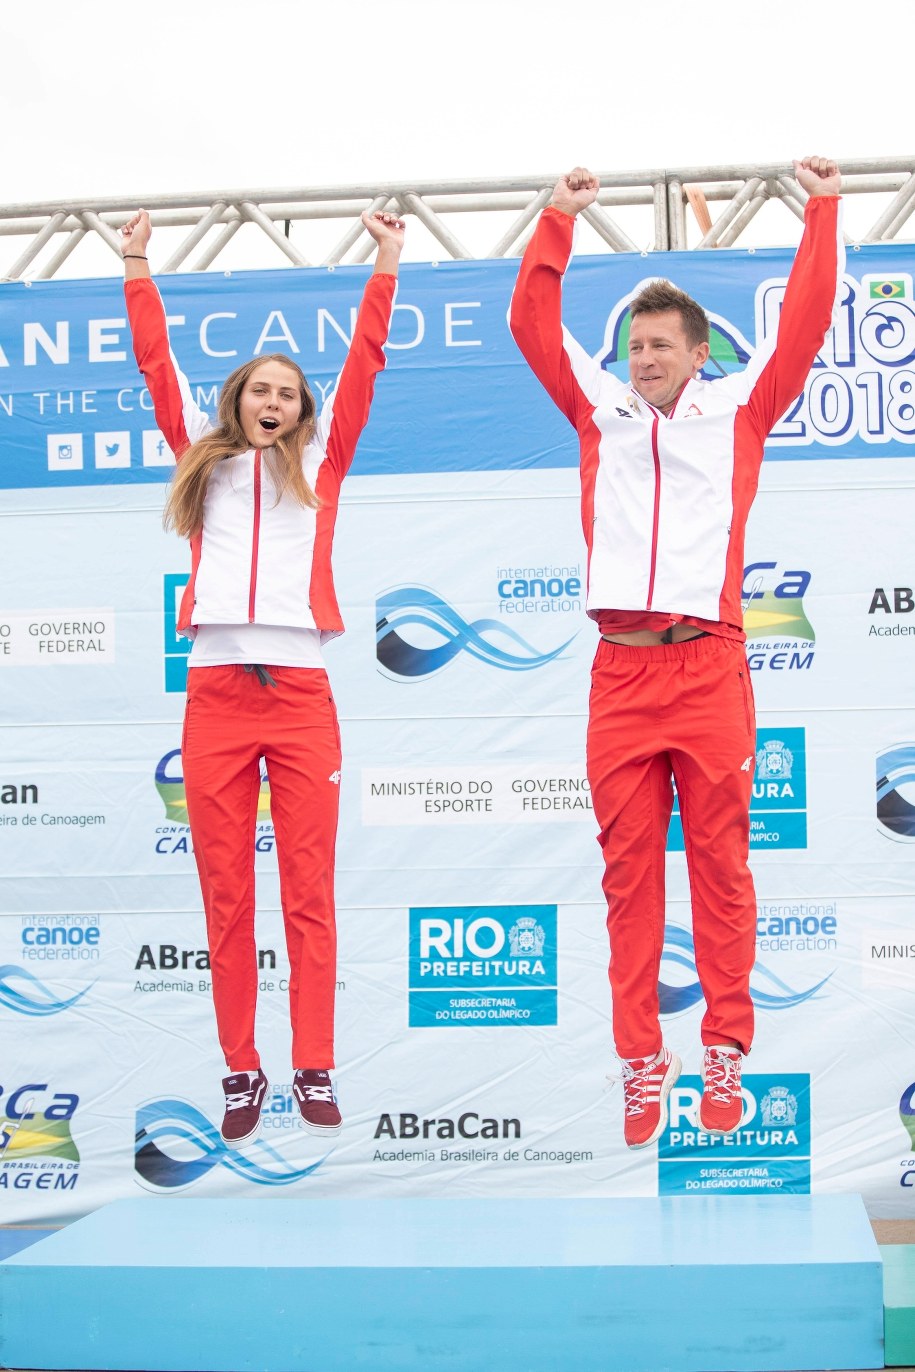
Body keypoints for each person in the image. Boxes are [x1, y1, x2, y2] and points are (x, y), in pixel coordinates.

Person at [510, 157, 843, 1148]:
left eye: (660, 344)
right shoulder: (597, 411)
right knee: (627, 875)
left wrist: (822, 209)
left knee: (720, 866)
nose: (642, 357)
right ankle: (640, 1060)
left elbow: (810, 319)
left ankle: (726, 1050)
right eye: (634, 345)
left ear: (700, 353)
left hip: (707, 666)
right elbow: (533, 326)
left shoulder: (740, 411)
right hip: (621, 670)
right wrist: (557, 221)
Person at [120, 205, 405, 1146]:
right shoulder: (202, 468)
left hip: (300, 697)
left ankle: (312, 1061)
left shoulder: (321, 464)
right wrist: (134, 266)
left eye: (288, 391)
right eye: (260, 389)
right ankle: (242, 1069)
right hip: (215, 696)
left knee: (308, 890)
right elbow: (156, 371)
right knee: (226, 892)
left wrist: (386, 261)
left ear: (301, 409)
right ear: (238, 400)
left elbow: (365, 363)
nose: (273, 401)